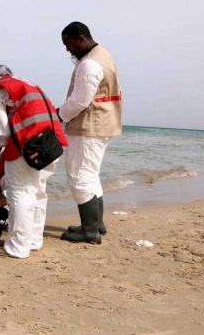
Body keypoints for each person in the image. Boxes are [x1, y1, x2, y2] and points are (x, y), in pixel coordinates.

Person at [0, 65, 67, 259]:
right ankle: (33, 241)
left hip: (28, 146)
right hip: (52, 142)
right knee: (38, 192)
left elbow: (2, 131)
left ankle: (17, 247)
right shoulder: (27, 84)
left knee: (20, 193)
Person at [57, 22, 122, 245]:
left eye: (69, 44)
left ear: (80, 38)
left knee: (80, 176)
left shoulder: (89, 64)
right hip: (104, 124)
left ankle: (90, 231)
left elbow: (79, 102)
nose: (68, 50)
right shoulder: (104, 55)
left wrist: (58, 114)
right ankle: (96, 224)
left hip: (88, 127)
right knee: (91, 175)